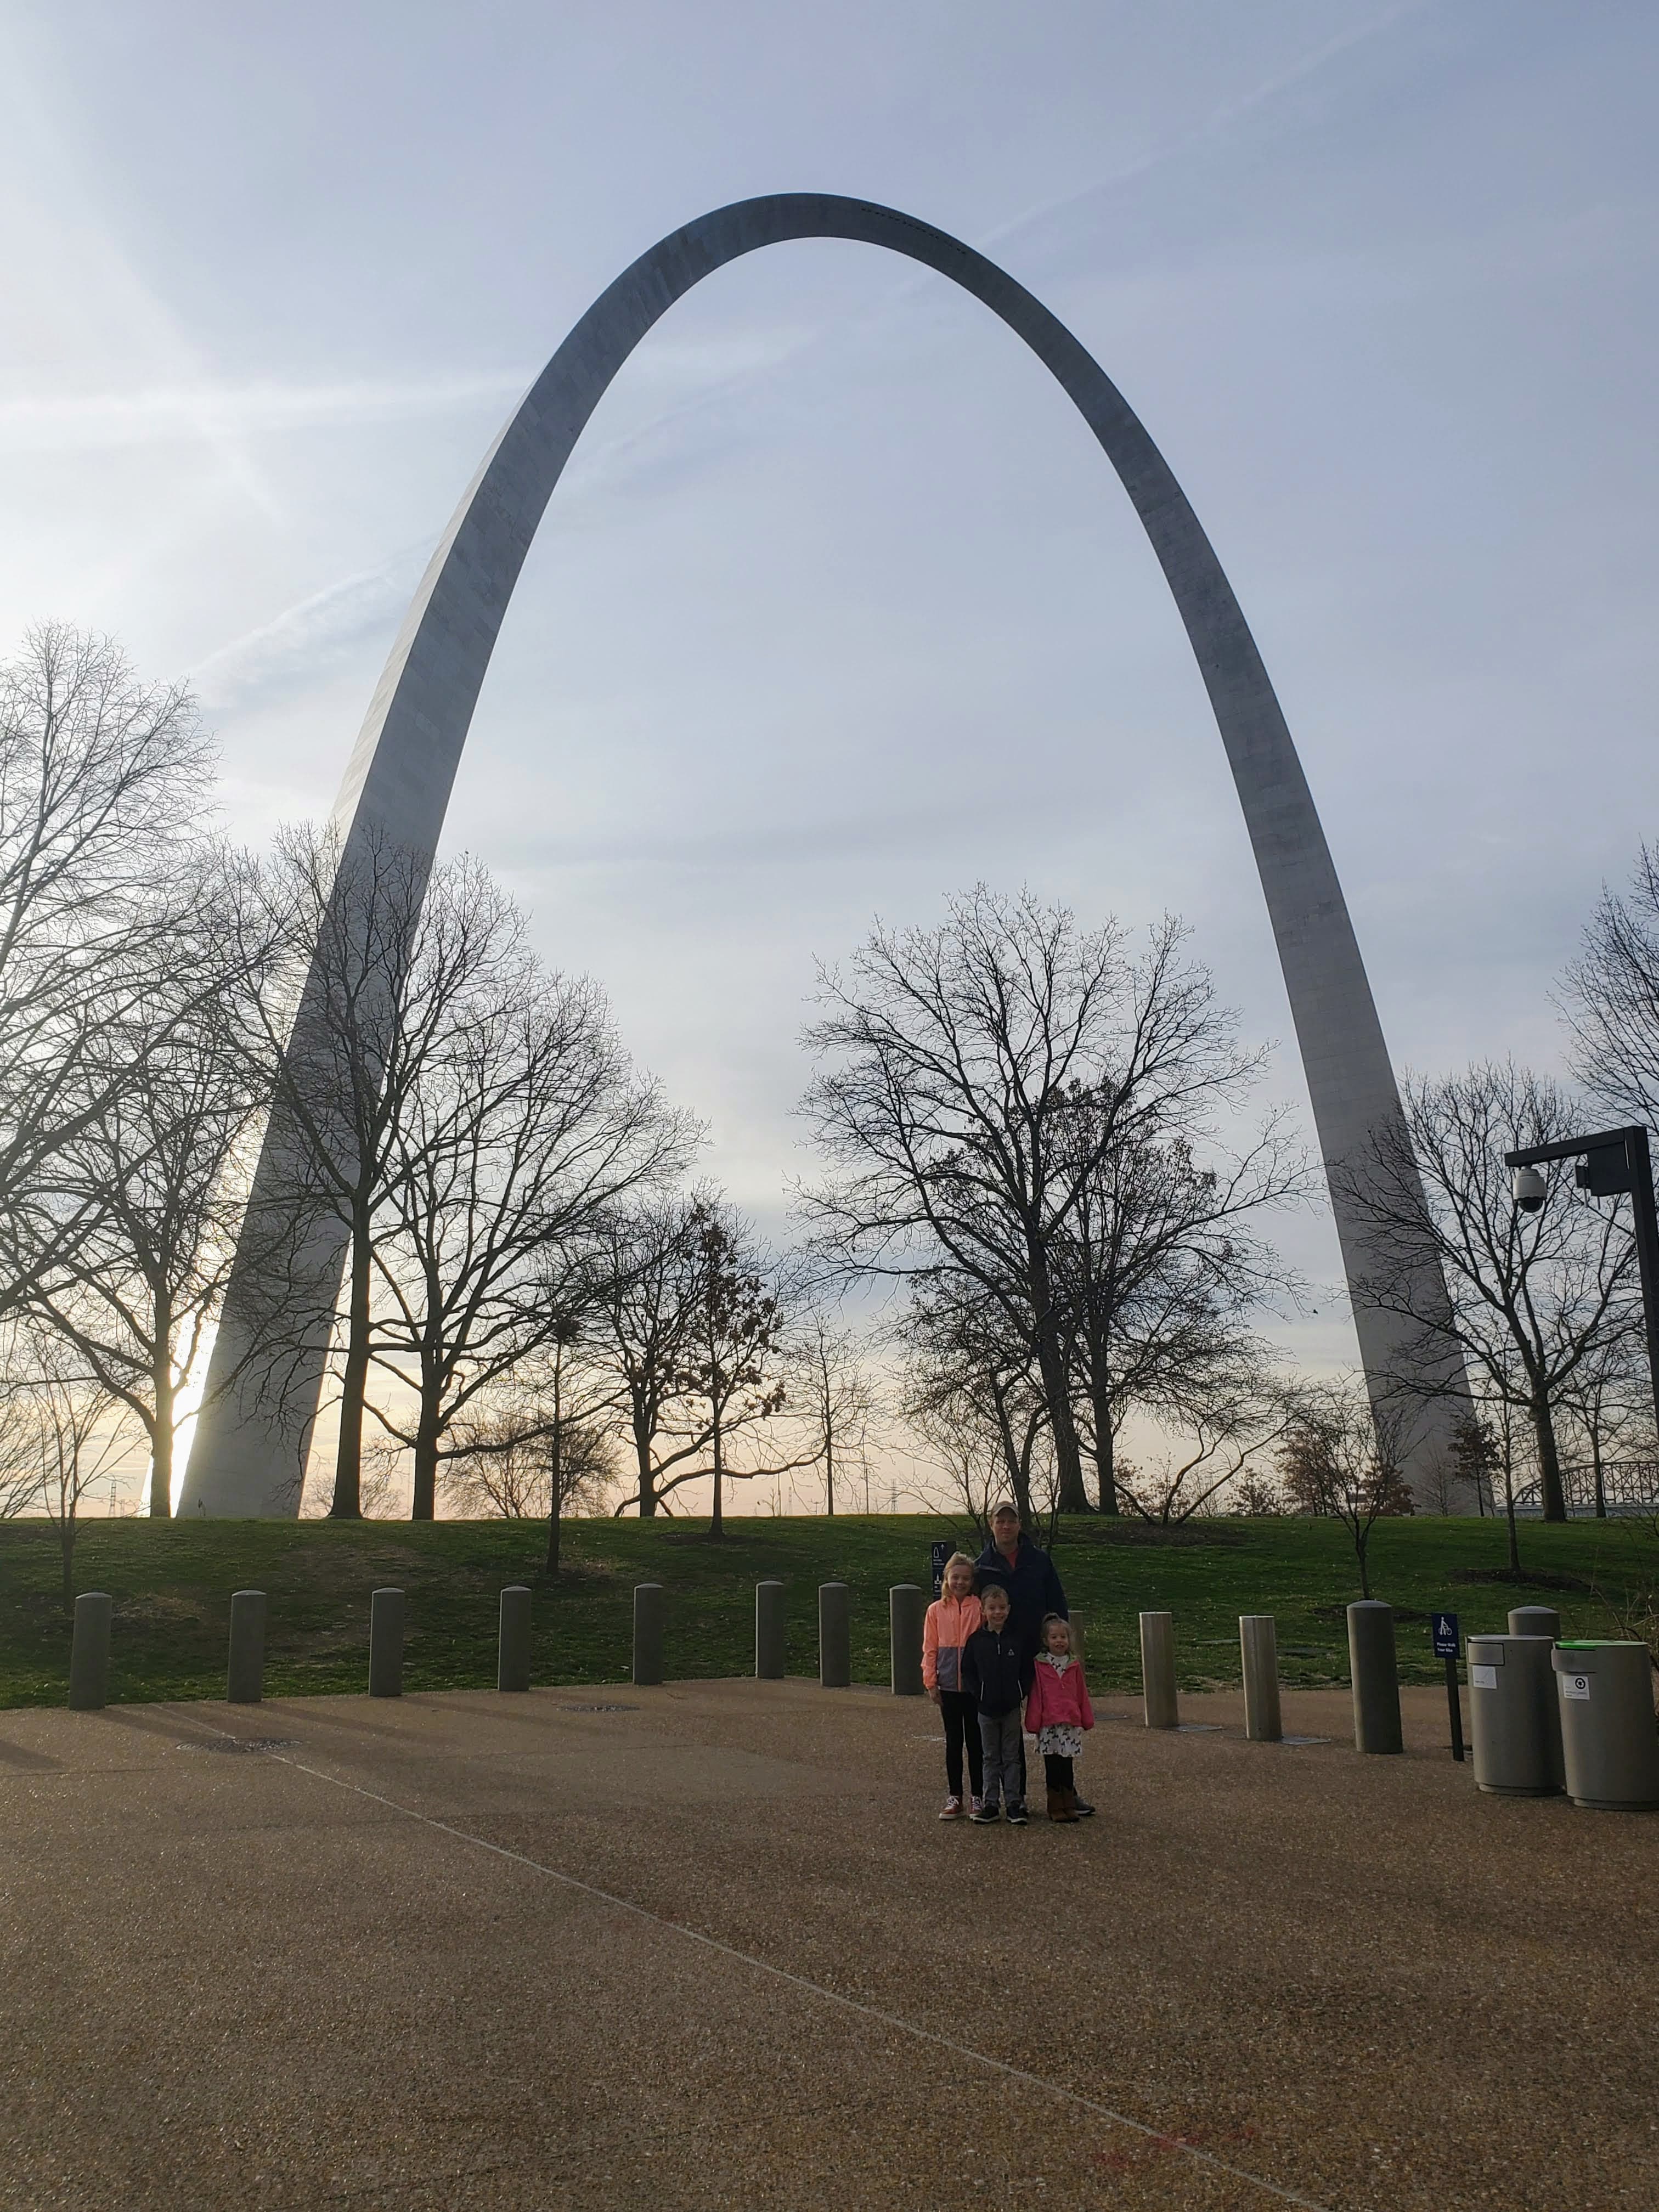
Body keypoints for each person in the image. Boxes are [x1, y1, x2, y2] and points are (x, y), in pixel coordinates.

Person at [974, 1502, 1093, 1814]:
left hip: (1040, 1654)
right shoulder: (982, 1566)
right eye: (1000, 1521)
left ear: (1019, 1525)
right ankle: (1017, 1796)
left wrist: (1059, 1643)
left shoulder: (1039, 1560)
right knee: (1013, 1726)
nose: (1006, 1526)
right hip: (1003, 1654)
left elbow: (1057, 1602)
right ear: (992, 1524)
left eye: (1011, 1521)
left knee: (1057, 1721)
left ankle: (1066, 1792)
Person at [962, 1582, 1032, 1825]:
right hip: (986, 1708)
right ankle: (991, 1803)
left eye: (1002, 1607)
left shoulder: (1016, 1639)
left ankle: (1014, 1802)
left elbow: (1026, 1670)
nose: (998, 1613)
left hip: (1011, 1707)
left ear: (1009, 1609)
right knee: (990, 1757)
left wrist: (1021, 1691)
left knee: (1012, 1757)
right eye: (992, 1608)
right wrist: (978, 1694)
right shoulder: (976, 1641)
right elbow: (968, 1671)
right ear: (983, 1610)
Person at [923, 1552, 984, 1820]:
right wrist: (931, 1682)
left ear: (972, 1582)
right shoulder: (936, 1610)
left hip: (974, 1687)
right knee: (953, 1742)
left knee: (976, 1742)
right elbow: (930, 1648)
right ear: (947, 1578)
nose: (960, 1582)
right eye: (955, 1577)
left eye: (966, 1578)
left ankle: (978, 1796)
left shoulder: (979, 1607)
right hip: (948, 1685)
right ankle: (955, 1795)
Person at [1024, 1612, 1094, 1822]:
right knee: (1052, 1766)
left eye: (1063, 1637)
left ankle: (1069, 1803)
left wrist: (1086, 1718)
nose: (1059, 1641)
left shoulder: (1073, 1664)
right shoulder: (1040, 1664)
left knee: (1067, 1766)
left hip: (1069, 1724)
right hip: (1049, 1725)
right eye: (1054, 1637)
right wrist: (1034, 1722)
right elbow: (1037, 1695)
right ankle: (1055, 1805)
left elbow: (1081, 1692)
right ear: (1046, 1641)